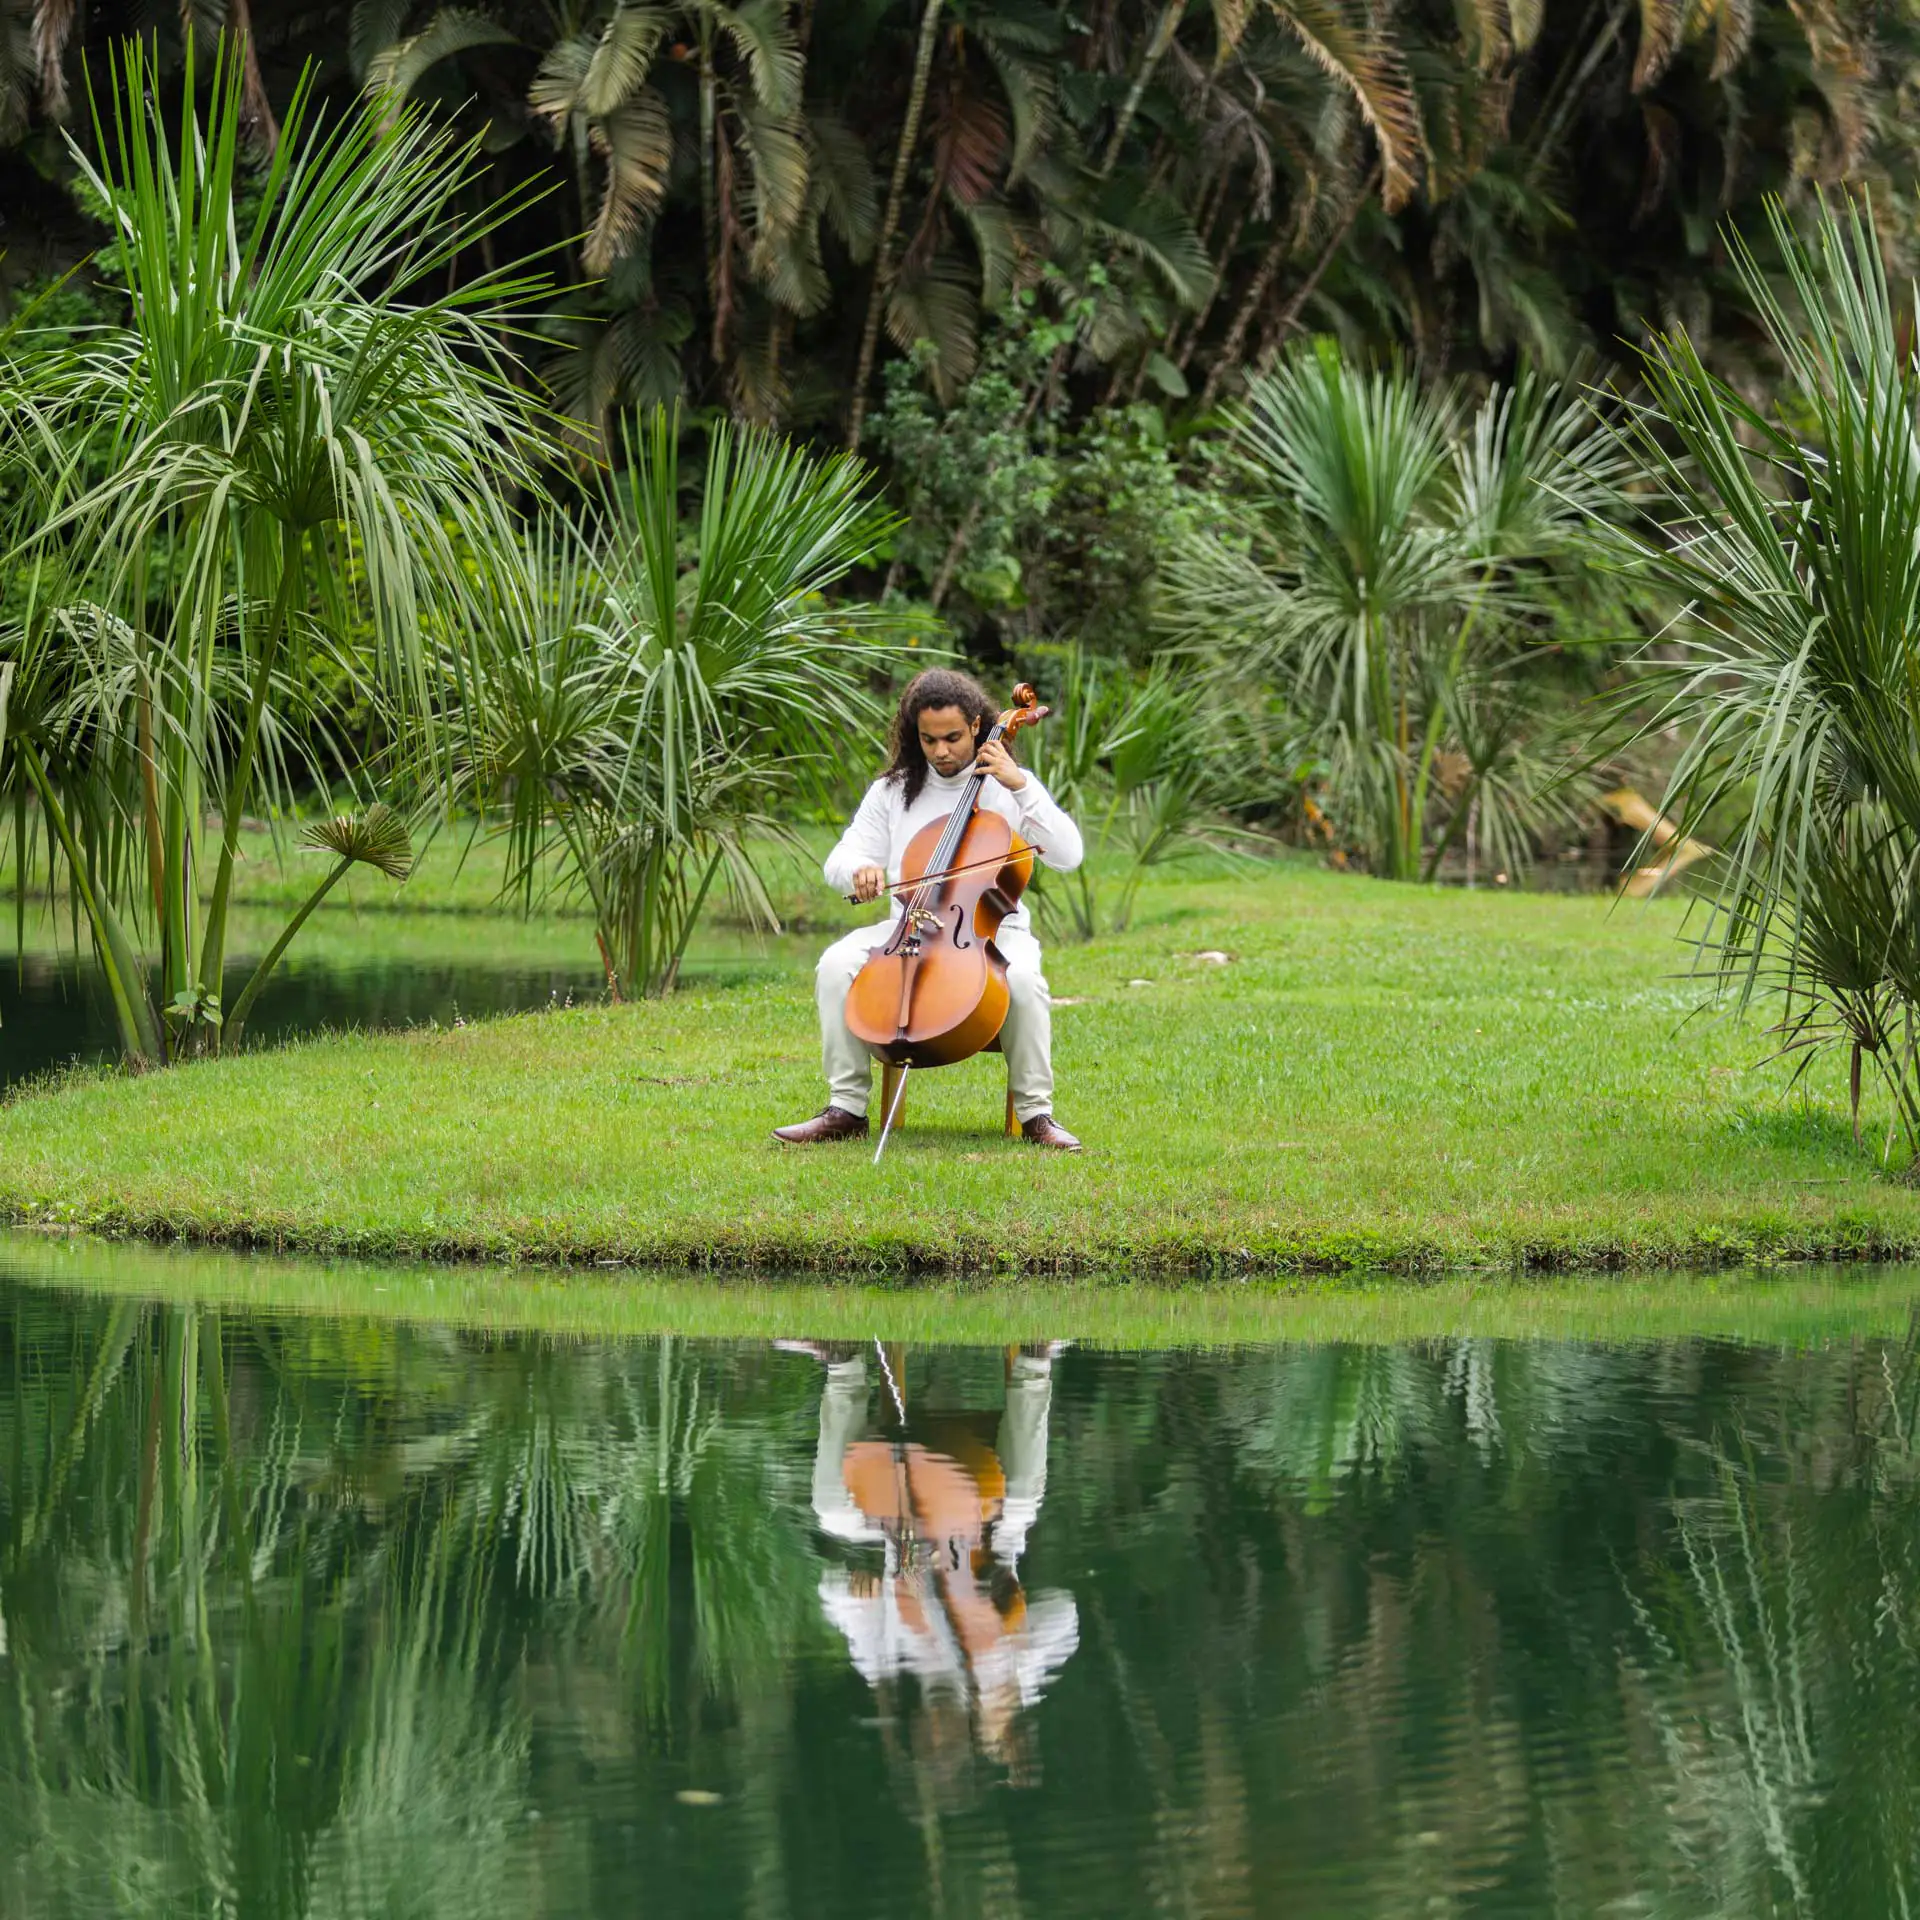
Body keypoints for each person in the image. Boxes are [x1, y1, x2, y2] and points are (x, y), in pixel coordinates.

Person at [772, 668, 1085, 1150]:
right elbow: (840, 859)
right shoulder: (894, 790)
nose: (941, 751)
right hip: (909, 926)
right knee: (836, 964)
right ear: (913, 734)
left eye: (953, 738)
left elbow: (1069, 854)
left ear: (978, 727)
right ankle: (846, 1108)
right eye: (929, 739)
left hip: (991, 933)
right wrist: (860, 870)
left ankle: (1037, 1116)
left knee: (1022, 980)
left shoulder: (1007, 787)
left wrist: (1021, 785)